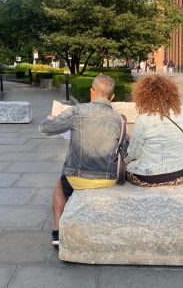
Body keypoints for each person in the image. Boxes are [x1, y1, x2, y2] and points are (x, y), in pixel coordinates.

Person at [39, 74, 124, 246]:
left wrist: (50, 119)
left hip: (77, 178)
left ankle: (57, 232)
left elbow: (45, 129)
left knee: (59, 187)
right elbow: (126, 150)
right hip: (107, 179)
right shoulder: (119, 119)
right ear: (112, 97)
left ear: (92, 92)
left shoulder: (77, 111)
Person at [125, 75, 183, 186]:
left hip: (150, 177)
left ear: (143, 96)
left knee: (126, 169)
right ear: (172, 94)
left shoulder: (143, 119)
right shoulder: (182, 115)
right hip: (181, 174)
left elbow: (134, 154)